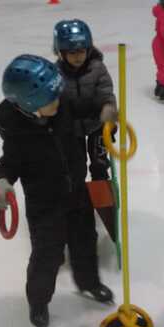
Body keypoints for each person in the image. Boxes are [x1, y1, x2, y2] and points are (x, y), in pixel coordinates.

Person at [0, 55, 115, 327]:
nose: (59, 103)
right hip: (44, 206)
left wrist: (105, 109)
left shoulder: (62, 106)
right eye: (52, 101)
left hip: (76, 194)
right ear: (30, 105)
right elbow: (8, 163)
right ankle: (38, 302)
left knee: (85, 242)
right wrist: (2, 182)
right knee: (46, 256)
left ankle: (89, 283)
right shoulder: (18, 135)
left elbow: (86, 108)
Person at [54, 19, 118, 239]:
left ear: (89, 48)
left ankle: (106, 206)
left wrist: (109, 110)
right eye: (71, 52)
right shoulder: (55, 73)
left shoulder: (97, 68)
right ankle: (79, 210)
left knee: (99, 165)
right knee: (75, 170)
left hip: (96, 126)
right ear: (60, 52)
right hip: (70, 130)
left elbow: (107, 93)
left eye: (81, 50)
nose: (77, 56)